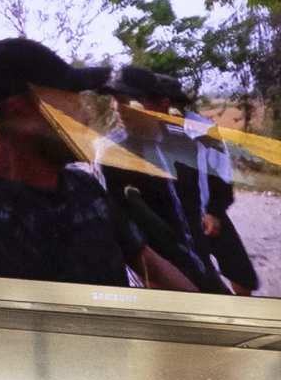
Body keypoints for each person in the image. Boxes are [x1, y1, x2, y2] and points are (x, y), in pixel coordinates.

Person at [0, 38, 195, 292]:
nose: (86, 117)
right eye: (73, 101)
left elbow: (150, 265)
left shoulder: (85, 190)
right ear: (19, 110)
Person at [105, 61, 259, 294]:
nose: (118, 108)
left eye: (129, 100)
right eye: (117, 100)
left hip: (204, 219)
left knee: (237, 270)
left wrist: (214, 211)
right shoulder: (113, 153)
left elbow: (219, 174)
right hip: (163, 262)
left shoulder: (196, 133)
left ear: (163, 104)